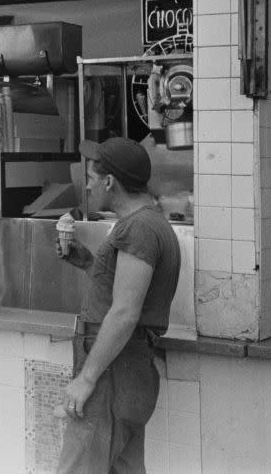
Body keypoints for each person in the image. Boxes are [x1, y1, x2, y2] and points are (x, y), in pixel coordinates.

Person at [56, 137, 181, 474]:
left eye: (92, 179)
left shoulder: (137, 228)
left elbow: (125, 313)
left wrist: (87, 378)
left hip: (112, 373)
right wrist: (89, 263)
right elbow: (125, 292)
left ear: (110, 182)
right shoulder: (149, 223)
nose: (87, 186)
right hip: (126, 371)